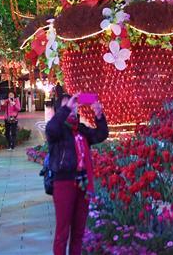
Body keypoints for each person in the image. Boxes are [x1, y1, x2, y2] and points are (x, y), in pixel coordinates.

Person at [45, 93, 108, 255]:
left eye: (74, 105)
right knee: (62, 232)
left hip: (83, 183)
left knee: (78, 232)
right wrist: (66, 108)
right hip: (64, 182)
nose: (72, 108)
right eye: (68, 106)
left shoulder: (81, 129)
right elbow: (51, 128)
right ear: (60, 110)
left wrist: (99, 116)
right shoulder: (57, 132)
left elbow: (100, 135)